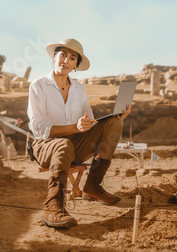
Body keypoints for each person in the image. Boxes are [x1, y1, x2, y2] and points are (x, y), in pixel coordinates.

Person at [27, 38, 131, 228]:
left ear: (76, 65)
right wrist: (75, 128)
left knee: (114, 124)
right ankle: (53, 208)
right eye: (63, 55)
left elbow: (88, 123)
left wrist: (116, 120)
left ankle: (93, 186)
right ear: (55, 57)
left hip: (75, 145)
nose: (66, 60)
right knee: (63, 144)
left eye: (72, 58)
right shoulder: (38, 85)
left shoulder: (79, 89)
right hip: (45, 146)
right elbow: (39, 128)